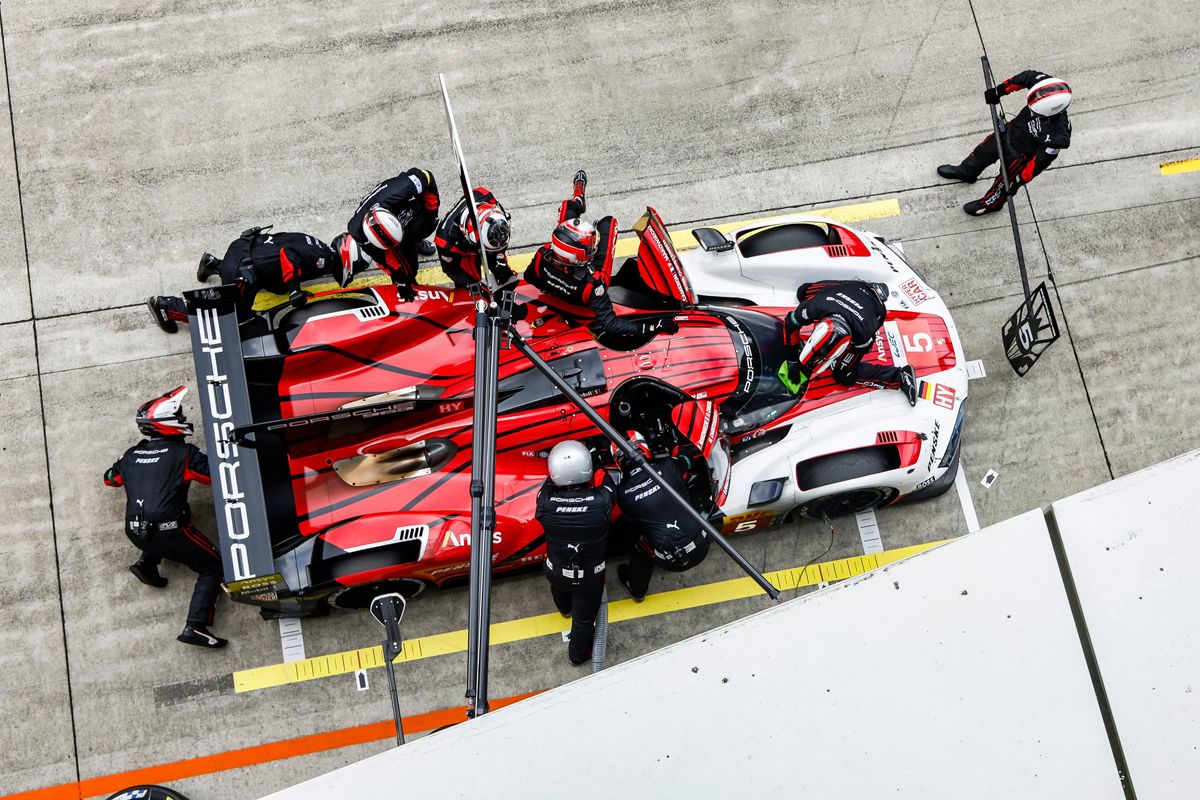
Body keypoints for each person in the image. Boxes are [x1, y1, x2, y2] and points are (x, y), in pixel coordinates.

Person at [104, 387, 227, 648]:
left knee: (169, 511)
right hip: (171, 532)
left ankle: (147, 564)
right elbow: (216, 475)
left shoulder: (130, 454)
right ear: (168, 423)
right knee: (214, 565)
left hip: (135, 532)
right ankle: (195, 626)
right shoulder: (185, 454)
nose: (183, 418)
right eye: (180, 415)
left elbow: (109, 479)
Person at [523, 171, 677, 343]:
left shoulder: (541, 256)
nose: (594, 249)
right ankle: (576, 202)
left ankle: (577, 201)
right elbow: (611, 324)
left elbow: (530, 278)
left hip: (562, 281)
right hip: (583, 298)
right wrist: (652, 327)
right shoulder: (594, 284)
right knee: (609, 223)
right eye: (590, 249)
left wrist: (555, 285)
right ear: (580, 259)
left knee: (569, 212)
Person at [146, 228, 366, 333]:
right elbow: (287, 256)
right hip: (240, 271)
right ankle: (167, 307)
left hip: (240, 249)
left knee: (274, 286)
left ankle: (214, 264)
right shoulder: (322, 259)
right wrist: (294, 291)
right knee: (233, 318)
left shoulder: (315, 244)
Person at [938, 71, 1072, 215]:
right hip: (1009, 132)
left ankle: (991, 204)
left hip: (1020, 156)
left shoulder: (1058, 137)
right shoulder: (1046, 86)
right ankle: (965, 172)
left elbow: (1039, 163)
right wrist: (998, 91)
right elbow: (1025, 77)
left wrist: (1021, 179)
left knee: (1003, 184)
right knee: (981, 152)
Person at [534, 440, 615, 665]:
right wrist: (597, 465)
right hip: (589, 577)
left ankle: (564, 609)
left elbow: (548, 484)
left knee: (560, 591)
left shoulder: (546, 502)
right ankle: (577, 657)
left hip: (555, 570)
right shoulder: (601, 503)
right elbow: (607, 481)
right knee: (583, 621)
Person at [781, 280, 918, 405]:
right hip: (855, 287)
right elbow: (790, 322)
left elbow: (854, 355)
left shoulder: (863, 336)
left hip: (872, 307)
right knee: (803, 291)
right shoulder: (814, 306)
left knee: (844, 376)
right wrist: (792, 360)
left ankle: (900, 377)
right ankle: (867, 288)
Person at [613, 432, 711, 602]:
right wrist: (665, 440)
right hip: (704, 544)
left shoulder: (623, 493)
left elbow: (631, 521)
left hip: (672, 561)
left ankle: (637, 591)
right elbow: (687, 458)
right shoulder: (668, 467)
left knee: (638, 541)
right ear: (645, 448)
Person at [346, 167, 440, 300]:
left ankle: (417, 242)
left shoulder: (404, 188)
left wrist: (432, 212)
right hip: (396, 238)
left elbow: (428, 177)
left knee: (425, 228)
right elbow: (385, 261)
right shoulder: (359, 234)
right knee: (407, 269)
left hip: (414, 215)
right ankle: (411, 255)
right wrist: (400, 280)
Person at [434, 186, 514, 289]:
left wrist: (500, 260)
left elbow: (500, 241)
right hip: (463, 254)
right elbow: (452, 269)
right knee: (474, 287)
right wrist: (472, 286)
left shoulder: (486, 197)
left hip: (482, 243)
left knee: (503, 273)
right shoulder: (444, 241)